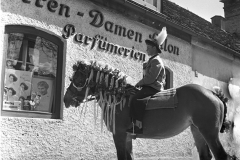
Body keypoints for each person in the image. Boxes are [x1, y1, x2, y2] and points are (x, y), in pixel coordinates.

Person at [126, 27, 167, 135]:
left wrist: (139, 83)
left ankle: (138, 126)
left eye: (148, 48)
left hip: (154, 88)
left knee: (136, 99)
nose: (147, 50)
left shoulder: (156, 61)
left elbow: (151, 78)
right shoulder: (152, 60)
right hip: (149, 86)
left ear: (154, 48)